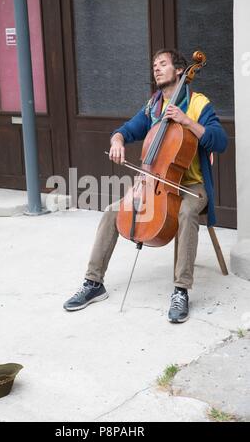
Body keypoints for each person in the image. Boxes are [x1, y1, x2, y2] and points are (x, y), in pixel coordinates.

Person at [63, 49, 228, 323]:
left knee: (187, 213)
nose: (157, 68)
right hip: (155, 183)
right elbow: (129, 129)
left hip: (192, 185)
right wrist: (117, 139)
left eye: (162, 64)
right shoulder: (153, 106)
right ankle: (94, 283)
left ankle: (181, 290)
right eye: (154, 65)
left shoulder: (199, 104)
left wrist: (187, 121)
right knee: (112, 212)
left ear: (179, 70)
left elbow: (220, 142)